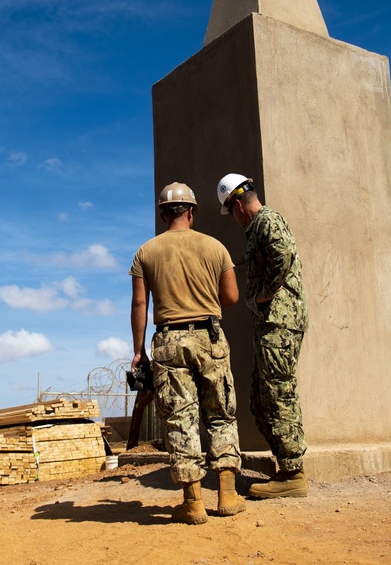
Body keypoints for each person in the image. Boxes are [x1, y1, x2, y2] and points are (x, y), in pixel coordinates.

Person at [130, 182, 246, 524]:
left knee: (180, 418)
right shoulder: (215, 247)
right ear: (191, 212)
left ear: (163, 214)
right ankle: (227, 495)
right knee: (221, 412)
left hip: (168, 341)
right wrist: (204, 302)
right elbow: (232, 297)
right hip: (209, 337)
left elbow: (140, 303)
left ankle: (192, 503)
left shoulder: (146, 252)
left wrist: (139, 351)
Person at [217, 173, 309, 498]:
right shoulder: (256, 228)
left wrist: (262, 295)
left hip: (280, 322)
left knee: (277, 392)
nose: (234, 219)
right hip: (270, 325)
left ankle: (293, 474)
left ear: (238, 204)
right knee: (259, 398)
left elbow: (282, 255)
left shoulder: (267, 220)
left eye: (231, 212)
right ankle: (286, 464)